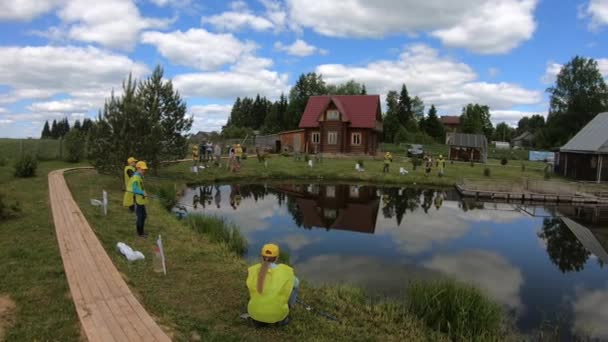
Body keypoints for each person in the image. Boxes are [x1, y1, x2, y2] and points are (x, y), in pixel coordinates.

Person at [246, 243, 299, 326]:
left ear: (261, 256)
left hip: (254, 314)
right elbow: (296, 284)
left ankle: (258, 316)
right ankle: (285, 310)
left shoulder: (253, 270)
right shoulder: (286, 272)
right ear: (277, 257)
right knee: (294, 287)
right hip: (278, 315)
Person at [129, 161, 149, 237]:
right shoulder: (136, 178)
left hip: (141, 200)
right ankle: (140, 233)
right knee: (140, 217)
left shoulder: (139, 176)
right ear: (138, 168)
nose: (144, 171)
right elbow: (134, 189)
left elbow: (140, 186)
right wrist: (142, 192)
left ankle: (141, 231)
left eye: (144, 169)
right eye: (142, 169)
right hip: (138, 201)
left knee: (143, 216)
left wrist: (143, 192)